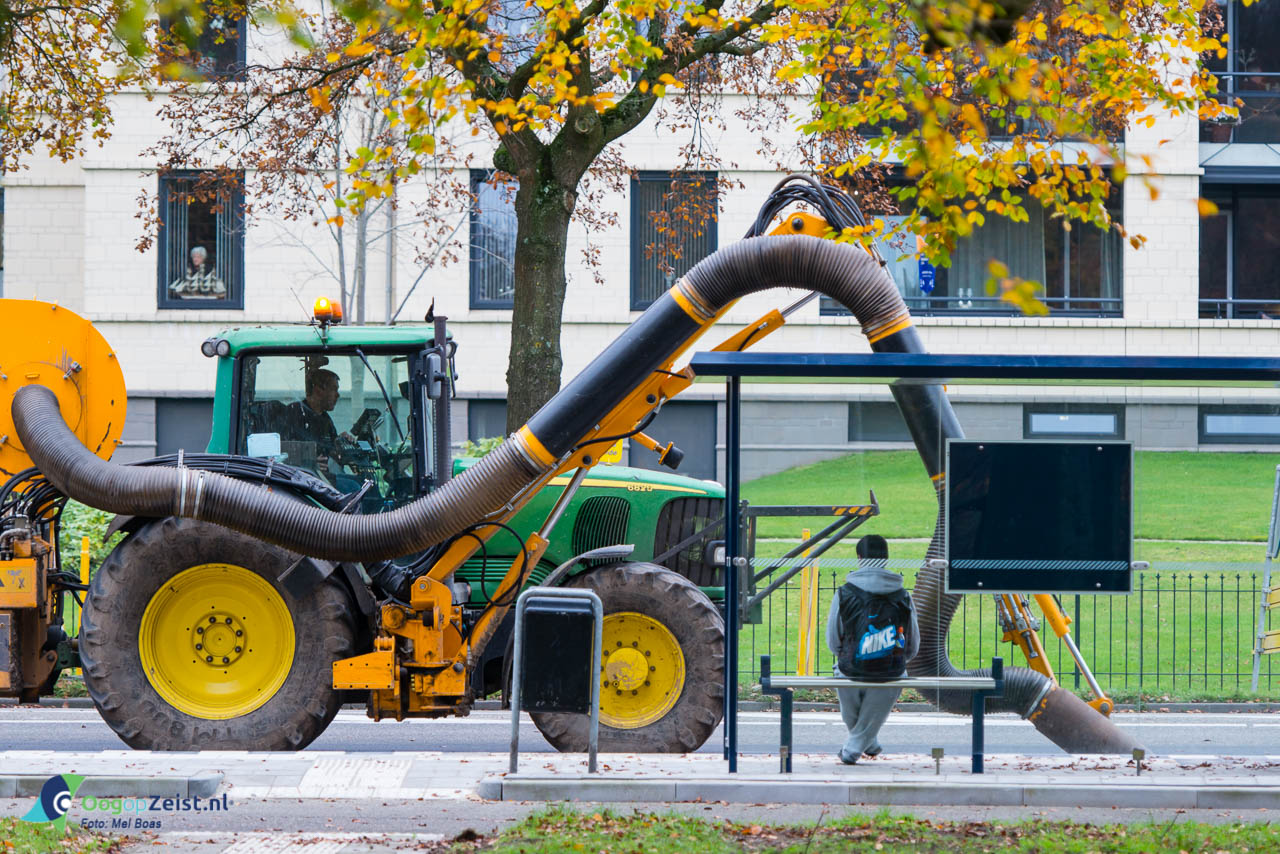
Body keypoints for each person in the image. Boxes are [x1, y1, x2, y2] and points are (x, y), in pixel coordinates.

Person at [825, 533, 919, 765]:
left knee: (849, 700)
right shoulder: (903, 595)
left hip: (849, 670)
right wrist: (899, 659)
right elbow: (913, 642)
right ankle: (868, 742)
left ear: (859, 558)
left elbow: (832, 640)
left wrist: (845, 655)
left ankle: (851, 751)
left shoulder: (844, 593)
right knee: (891, 683)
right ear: (886, 559)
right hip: (890, 672)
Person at [285, 369, 348, 474]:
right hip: (304, 478)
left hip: (326, 476)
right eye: (334, 389)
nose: (338, 395)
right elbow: (282, 450)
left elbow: (331, 452)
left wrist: (340, 442)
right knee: (354, 486)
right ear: (318, 390)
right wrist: (308, 463)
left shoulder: (325, 419)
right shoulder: (294, 413)